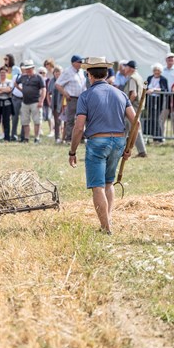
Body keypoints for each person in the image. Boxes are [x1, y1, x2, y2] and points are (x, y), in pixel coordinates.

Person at [68, 57, 136, 234]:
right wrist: (129, 147)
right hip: (118, 141)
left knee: (97, 186)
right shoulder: (120, 94)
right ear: (106, 74)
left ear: (89, 74)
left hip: (98, 141)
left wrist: (72, 151)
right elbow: (136, 123)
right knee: (108, 183)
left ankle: (106, 228)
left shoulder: (86, 95)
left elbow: (78, 127)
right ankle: (107, 221)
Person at [56, 55, 86, 144]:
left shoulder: (81, 72)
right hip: (72, 98)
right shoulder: (67, 71)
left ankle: (81, 137)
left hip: (82, 98)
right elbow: (58, 84)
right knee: (71, 119)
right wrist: (65, 94)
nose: (81, 64)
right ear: (73, 63)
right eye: (79, 62)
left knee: (81, 118)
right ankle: (69, 138)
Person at [121, 61, 148, 158]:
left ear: (130, 68)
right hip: (138, 105)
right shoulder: (139, 77)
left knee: (132, 128)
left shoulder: (132, 78)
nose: (124, 69)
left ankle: (141, 151)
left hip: (133, 106)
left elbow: (133, 94)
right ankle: (124, 149)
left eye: (126, 67)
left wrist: (127, 105)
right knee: (131, 128)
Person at [16, 60, 46, 143]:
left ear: (33, 68)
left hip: (35, 101)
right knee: (25, 121)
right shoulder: (23, 77)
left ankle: (37, 138)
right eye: (26, 69)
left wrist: (41, 101)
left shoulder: (38, 77)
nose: (28, 70)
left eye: (29, 68)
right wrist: (22, 90)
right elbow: (16, 83)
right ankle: (26, 138)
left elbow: (43, 89)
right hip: (25, 102)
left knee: (37, 120)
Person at [145, 64, 169, 143]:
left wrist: (155, 90)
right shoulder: (149, 78)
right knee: (152, 118)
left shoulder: (163, 79)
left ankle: (159, 137)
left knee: (157, 119)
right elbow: (146, 87)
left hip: (158, 100)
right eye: (155, 70)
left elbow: (165, 89)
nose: (156, 72)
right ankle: (154, 137)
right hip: (150, 99)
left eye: (158, 70)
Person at [0, 66, 14, 142]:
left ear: (7, 73)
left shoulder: (9, 81)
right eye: (1, 73)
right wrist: (3, 91)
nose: (2, 74)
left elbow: (9, 90)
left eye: (4, 73)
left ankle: (7, 137)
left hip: (6, 103)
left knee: (6, 121)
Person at [48, 65, 64, 143]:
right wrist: (49, 101)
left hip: (63, 103)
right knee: (57, 121)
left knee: (64, 120)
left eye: (59, 73)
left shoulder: (64, 80)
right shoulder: (52, 81)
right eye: (56, 73)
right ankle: (57, 137)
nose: (57, 75)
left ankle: (64, 137)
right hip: (54, 104)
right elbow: (49, 92)